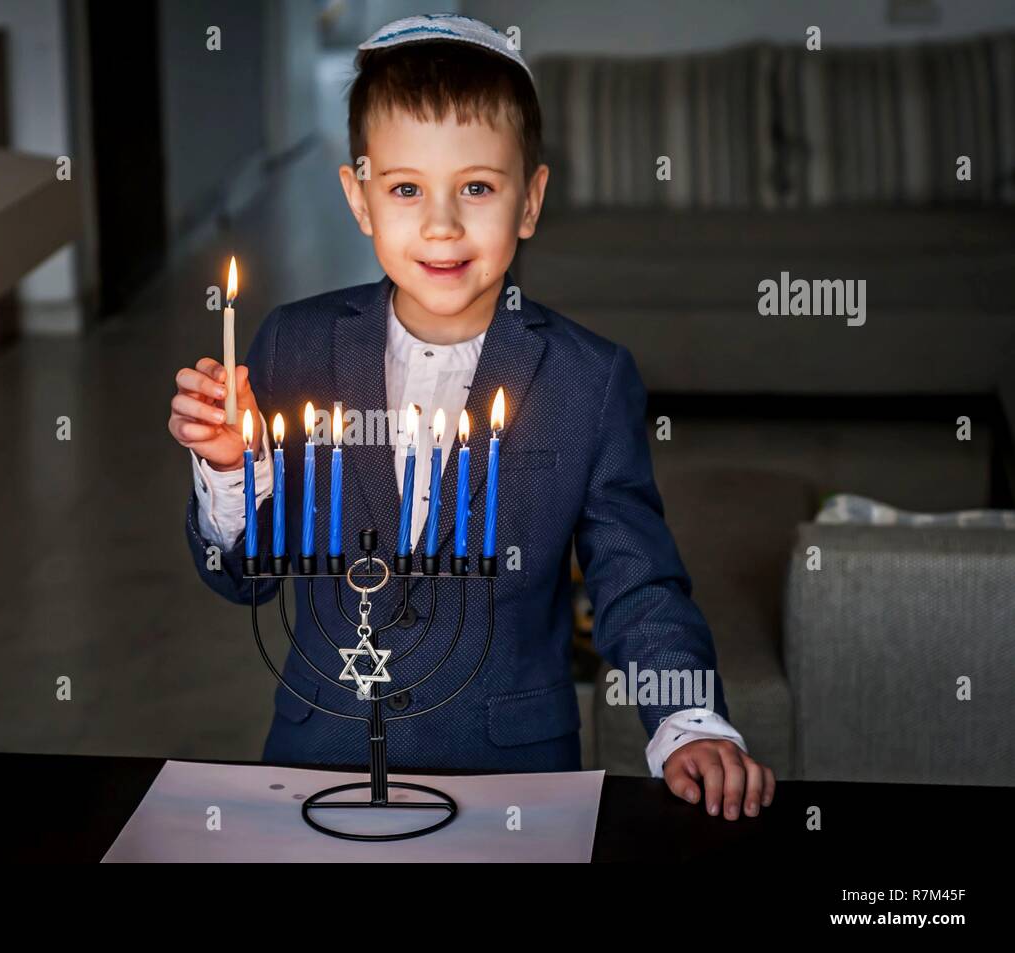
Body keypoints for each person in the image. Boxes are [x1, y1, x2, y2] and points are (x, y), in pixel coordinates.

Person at [169, 14, 774, 820]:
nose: (443, 224)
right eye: (407, 188)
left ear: (531, 201)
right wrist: (227, 467)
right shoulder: (293, 345)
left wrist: (687, 721)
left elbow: (637, 582)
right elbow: (246, 577)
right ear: (358, 197)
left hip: (511, 784)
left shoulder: (587, 378)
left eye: (478, 187)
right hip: (323, 768)